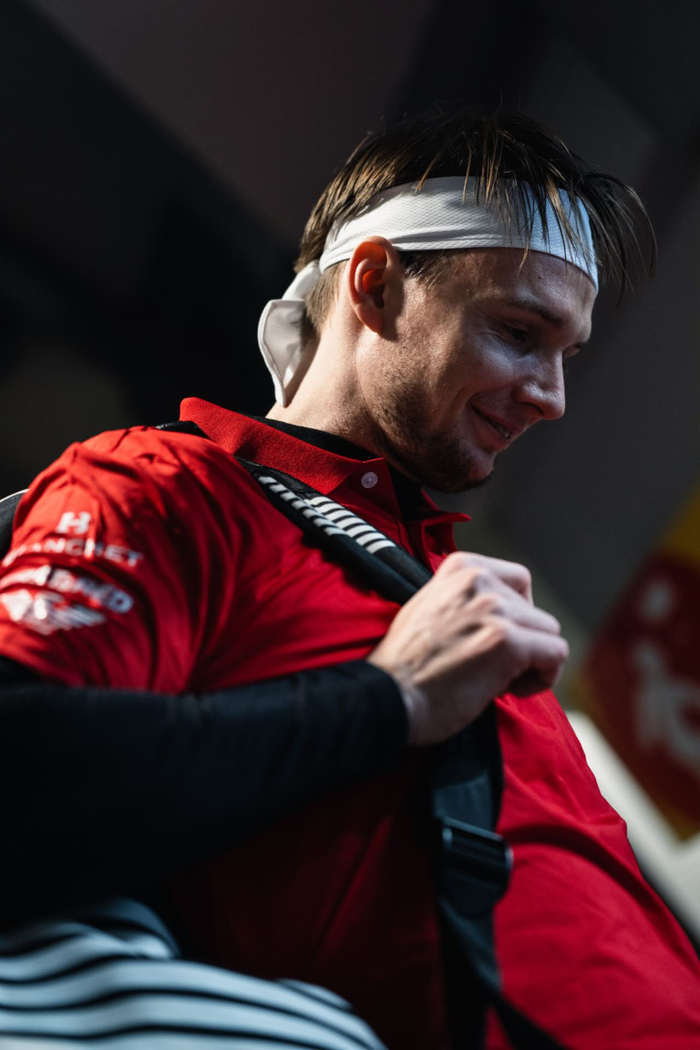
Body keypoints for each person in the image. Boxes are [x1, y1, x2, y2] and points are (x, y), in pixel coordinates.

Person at [0, 106, 698, 1050]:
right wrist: (388, 699)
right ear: (374, 285)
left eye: (566, 354)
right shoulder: (173, 483)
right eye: (518, 331)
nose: (552, 397)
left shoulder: (444, 575)